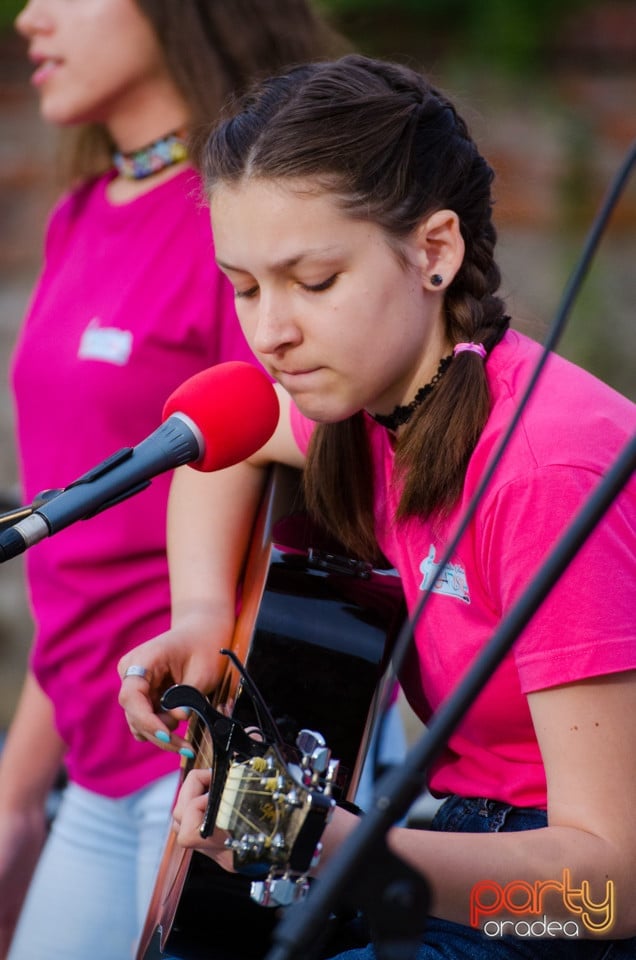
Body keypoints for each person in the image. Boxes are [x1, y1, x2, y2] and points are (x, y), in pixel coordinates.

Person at [118, 54, 636, 958]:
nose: (271, 331)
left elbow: (608, 894)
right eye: (244, 288)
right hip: (465, 836)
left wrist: (333, 846)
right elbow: (212, 454)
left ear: (434, 251)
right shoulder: (368, 407)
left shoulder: (545, 466)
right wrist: (202, 617)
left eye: (312, 282)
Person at [0, 4, 348, 960]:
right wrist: (19, 793)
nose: (30, 15)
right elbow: (82, 560)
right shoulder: (82, 213)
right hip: (95, 752)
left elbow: (323, 442)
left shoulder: (245, 221)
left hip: (209, 749)